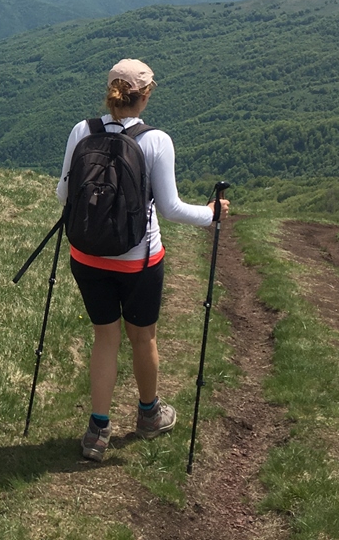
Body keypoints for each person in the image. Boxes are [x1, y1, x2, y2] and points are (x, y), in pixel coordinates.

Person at [55, 58, 227, 461]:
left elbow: (64, 196)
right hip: (138, 260)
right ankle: (148, 415)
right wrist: (212, 214)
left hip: (86, 255)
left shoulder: (82, 131)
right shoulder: (156, 141)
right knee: (143, 337)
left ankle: (98, 431)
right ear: (146, 95)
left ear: (110, 90)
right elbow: (169, 208)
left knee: (105, 337)